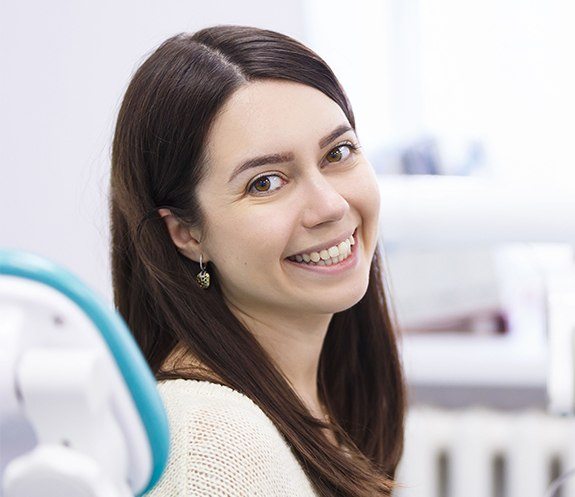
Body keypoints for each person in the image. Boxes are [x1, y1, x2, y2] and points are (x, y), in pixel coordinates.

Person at [110, 25, 406, 496]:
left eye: (338, 152)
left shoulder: (303, 401)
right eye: (266, 182)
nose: (329, 205)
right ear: (185, 233)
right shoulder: (216, 444)